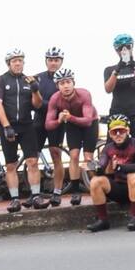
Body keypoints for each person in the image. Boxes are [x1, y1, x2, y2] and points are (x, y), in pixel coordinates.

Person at [0, 49, 45, 212]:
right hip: (8, 126)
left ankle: (36, 196)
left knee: (33, 162)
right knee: (11, 166)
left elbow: (37, 105)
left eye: (20, 61)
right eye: (14, 61)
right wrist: (6, 126)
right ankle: (15, 199)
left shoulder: (28, 80)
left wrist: (35, 90)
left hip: (26, 125)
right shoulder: (1, 80)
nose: (17, 63)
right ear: (9, 64)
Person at [86, 115, 135, 233]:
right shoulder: (108, 148)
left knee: (133, 176)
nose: (118, 134)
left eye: (122, 131)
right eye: (115, 132)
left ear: (128, 131)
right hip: (120, 188)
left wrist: (120, 167)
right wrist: (92, 166)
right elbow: (101, 167)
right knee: (96, 181)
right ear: (110, 134)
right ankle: (102, 219)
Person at [43, 67, 93, 207]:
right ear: (57, 86)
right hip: (72, 123)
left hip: (89, 124)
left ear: (73, 82)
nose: (65, 86)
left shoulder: (84, 94)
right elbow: (48, 125)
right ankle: (76, 191)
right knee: (74, 156)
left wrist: (70, 117)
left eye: (68, 82)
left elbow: (88, 120)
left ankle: (96, 187)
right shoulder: (55, 98)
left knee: (88, 157)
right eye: (62, 83)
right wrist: (59, 121)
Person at [33, 46, 67, 200]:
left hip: (57, 122)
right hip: (39, 121)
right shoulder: (37, 78)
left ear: (61, 62)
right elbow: (32, 102)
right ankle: (34, 194)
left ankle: (57, 192)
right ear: (46, 61)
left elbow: (66, 101)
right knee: (32, 158)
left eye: (56, 60)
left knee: (56, 155)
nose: (53, 63)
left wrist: (44, 105)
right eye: (51, 60)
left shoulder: (65, 79)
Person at [103, 34, 135, 141]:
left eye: (128, 47)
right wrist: (117, 70)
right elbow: (108, 89)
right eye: (120, 48)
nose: (124, 50)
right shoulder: (110, 69)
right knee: (113, 144)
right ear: (116, 50)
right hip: (117, 111)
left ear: (132, 47)